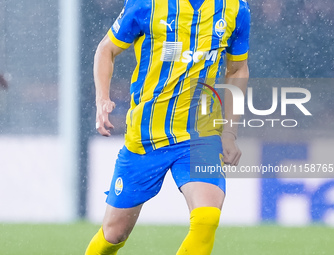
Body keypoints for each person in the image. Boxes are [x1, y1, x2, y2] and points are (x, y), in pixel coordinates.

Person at [85, 0, 250, 254]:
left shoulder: (235, 8)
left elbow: (237, 69)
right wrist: (102, 99)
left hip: (200, 133)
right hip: (146, 135)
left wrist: (229, 132)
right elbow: (105, 50)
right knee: (114, 234)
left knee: (206, 219)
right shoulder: (147, 4)